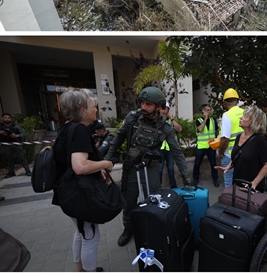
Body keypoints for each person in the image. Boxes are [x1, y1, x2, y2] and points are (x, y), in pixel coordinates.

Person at [105, 87, 190, 247]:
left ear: (159, 107)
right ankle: (128, 228)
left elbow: (177, 152)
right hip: (131, 167)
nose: (143, 107)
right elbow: (117, 139)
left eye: (148, 104)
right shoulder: (132, 118)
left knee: (153, 201)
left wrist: (186, 178)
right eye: (142, 103)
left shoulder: (166, 127)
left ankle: (152, 228)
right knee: (129, 201)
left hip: (151, 168)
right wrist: (107, 159)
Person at [53, 89, 113, 271]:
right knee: (91, 237)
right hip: (79, 194)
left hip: (67, 192)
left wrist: (96, 168)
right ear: (82, 110)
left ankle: (80, 269)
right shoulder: (79, 130)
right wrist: (105, 164)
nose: (96, 109)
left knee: (80, 233)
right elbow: (79, 166)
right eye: (93, 106)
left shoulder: (67, 128)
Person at [216, 106, 267, 190]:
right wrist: (228, 166)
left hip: (251, 186)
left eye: (245, 116)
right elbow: (238, 155)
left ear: (254, 121)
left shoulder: (260, 139)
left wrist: (255, 182)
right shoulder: (239, 136)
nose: (241, 117)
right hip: (237, 182)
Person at [216, 89, 244, 188]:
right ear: (237, 101)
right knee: (242, 181)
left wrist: (220, 151)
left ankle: (229, 202)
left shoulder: (227, 115)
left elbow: (225, 139)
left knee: (229, 182)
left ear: (225, 102)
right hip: (244, 153)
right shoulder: (245, 112)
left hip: (229, 154)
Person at [0, 113, 31, 178]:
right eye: (5, 118)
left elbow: (23, 133)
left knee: (22, 157)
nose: (7, 119)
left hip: (16, 144)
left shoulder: (15, 126)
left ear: (10, 119)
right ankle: (11, 172)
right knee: (9, 159)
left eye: (8, 118)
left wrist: (16, 135)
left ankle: (27, 170)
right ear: (2, 118)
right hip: (6, 145)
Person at [192, 104, 219, 188]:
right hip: (201, 147)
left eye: (210, 110)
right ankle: (195, 179)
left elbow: (217, 131)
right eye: (207, 110)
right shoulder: (198, 120)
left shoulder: (213, 121)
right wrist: (205, 119)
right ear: (203, 111)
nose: (209, 112)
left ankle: (215, 180)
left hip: (211, 147)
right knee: (197, 164)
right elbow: (200, 129)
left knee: (213, 164)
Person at [157, 103, 183, 189]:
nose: (164, 111)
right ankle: (158, 187)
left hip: (169, 149)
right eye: (162, 109)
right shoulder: (155, 121)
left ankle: (173, 186)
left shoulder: (169, 122)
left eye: (166, 109)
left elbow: (179, 129)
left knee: (171, 168)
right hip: (159, 149)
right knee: (159, 169)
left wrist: (172, 118)